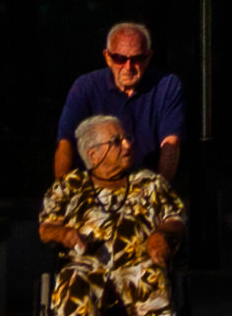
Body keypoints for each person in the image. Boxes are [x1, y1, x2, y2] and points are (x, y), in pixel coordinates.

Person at [39, 110, 186, 316]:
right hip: (87, 264)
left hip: (138, 262)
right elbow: (47, 227)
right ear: (93, 154)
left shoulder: (150, 184)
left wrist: (161, 234)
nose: (128, 145)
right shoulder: (70, 187)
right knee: (71, 281)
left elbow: (175, 218)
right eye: (117, 141)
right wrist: (65, 234)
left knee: (152, 278)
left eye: (127, 138)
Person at [48, 21, 185, 197]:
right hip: (93, 191)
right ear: (107, 57)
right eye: (120, 58)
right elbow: (66, 142)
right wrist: (63, 193)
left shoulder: (167, 86)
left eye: (137, 59)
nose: (128, 67)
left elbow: (171, 144)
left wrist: (157, 193)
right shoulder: (85, 87)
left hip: (146, 188)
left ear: (148, 57)